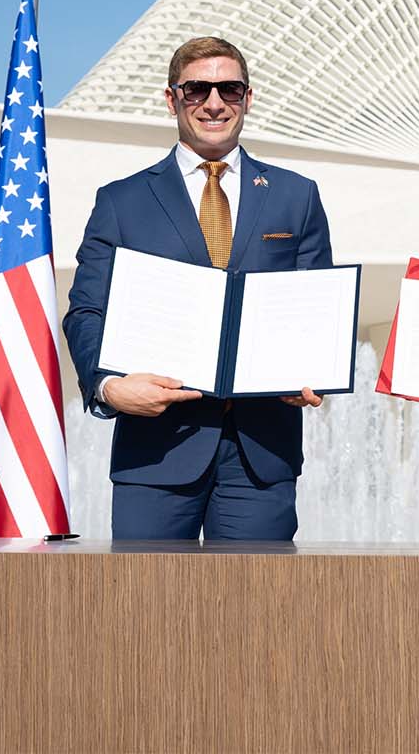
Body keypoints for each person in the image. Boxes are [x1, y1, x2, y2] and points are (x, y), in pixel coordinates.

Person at [64, 36, 334, 541]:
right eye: (197, 90)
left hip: (261, 449)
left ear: (248, 99)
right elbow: (86, 311)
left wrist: (313, 369)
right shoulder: (121, 202)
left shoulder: (297, 197)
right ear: (172, 99)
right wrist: (108, 386)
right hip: (156, 449)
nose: (214, 103)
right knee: (149, 611)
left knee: (257, 611)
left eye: (229, 89)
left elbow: (314, 306)